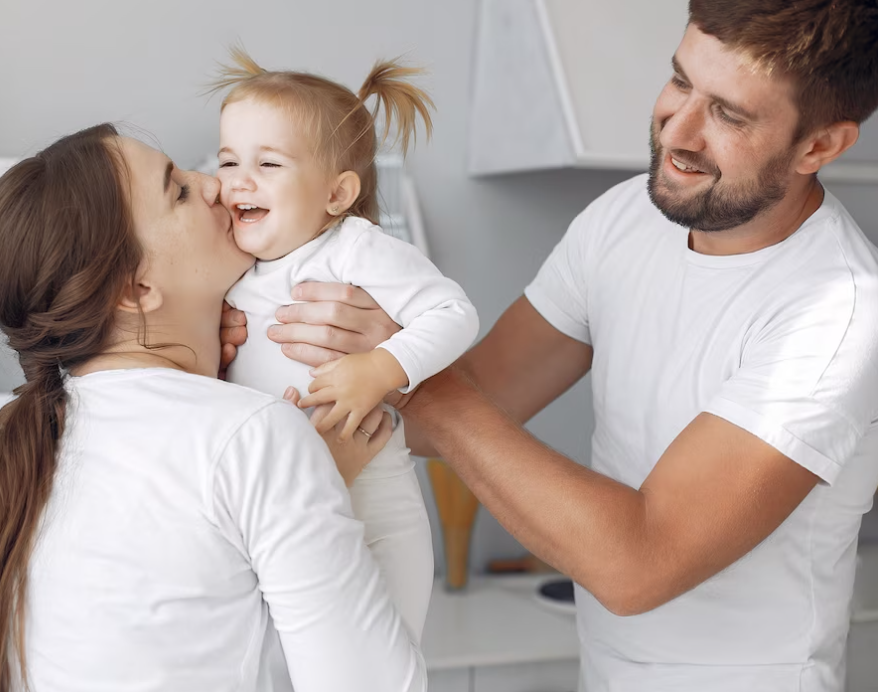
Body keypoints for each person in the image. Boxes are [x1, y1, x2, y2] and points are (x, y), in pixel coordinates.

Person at [222, 2, 878, 690]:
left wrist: (400, 362)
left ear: (819, 147)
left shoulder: (836, 316)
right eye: (680, 82)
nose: (675, 131)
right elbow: (463, 406)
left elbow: (637, 565)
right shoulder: (627, 217)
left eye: (729, 115)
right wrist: (269, 350)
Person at [0, 124, 427, 692]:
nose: (215, 184)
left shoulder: (34, 438)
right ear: (136, 289)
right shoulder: (252, 437)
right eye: (178, 191)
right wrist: (318, 476)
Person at [211, 49, 479, 642]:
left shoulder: (353, 247)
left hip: (374, 501)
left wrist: (383, 367)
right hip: (281, 508)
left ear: (337, 194)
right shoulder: (232, 259)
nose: (238, 181)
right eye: (228, 160)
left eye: (269, 163)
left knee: (384, 651)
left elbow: (453, 313)